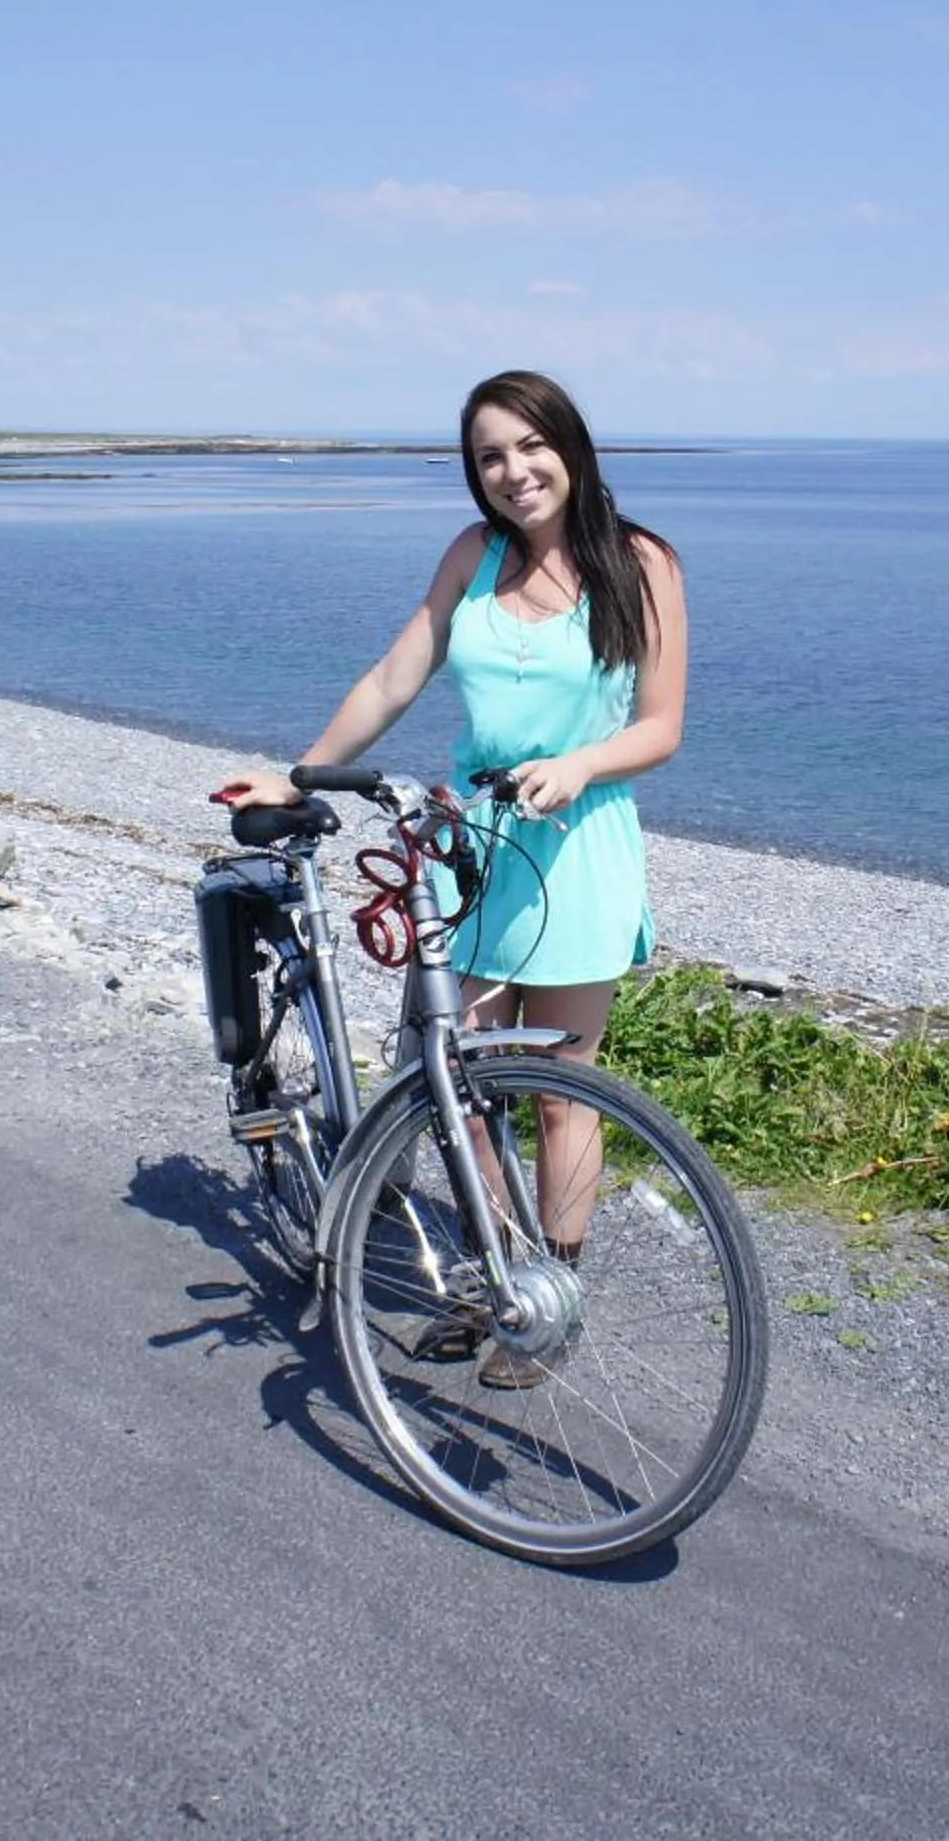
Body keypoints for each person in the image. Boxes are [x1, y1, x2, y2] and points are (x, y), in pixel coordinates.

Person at [217, 370, 687, 1363]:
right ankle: (497, 1270)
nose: (514, 471)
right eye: (490, 456)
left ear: (570, 443)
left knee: (562, 1085)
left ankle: (550, 1295)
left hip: (577, 843)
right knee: (459, 1077)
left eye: (529, 446)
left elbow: (661, 727)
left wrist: (581, 762)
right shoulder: (475, 556)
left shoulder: (642, 564)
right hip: (473, 842)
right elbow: (396, 674)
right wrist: (301, 771)